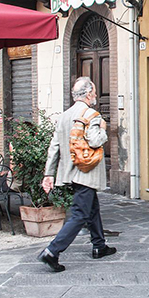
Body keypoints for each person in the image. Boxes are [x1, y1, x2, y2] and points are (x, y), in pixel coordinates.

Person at [38, 77, 116, 272]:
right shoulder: (92, 114)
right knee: (80, 214)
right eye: (95, 92)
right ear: (89, 94)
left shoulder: (64, 116)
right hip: (86, 171)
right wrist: (104, 130)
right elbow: (96, 140)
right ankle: (52, 251)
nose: (96, 95)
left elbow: (54, 147)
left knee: (92, 207)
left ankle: (99, 245)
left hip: (70, 172)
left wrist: (49, 173)